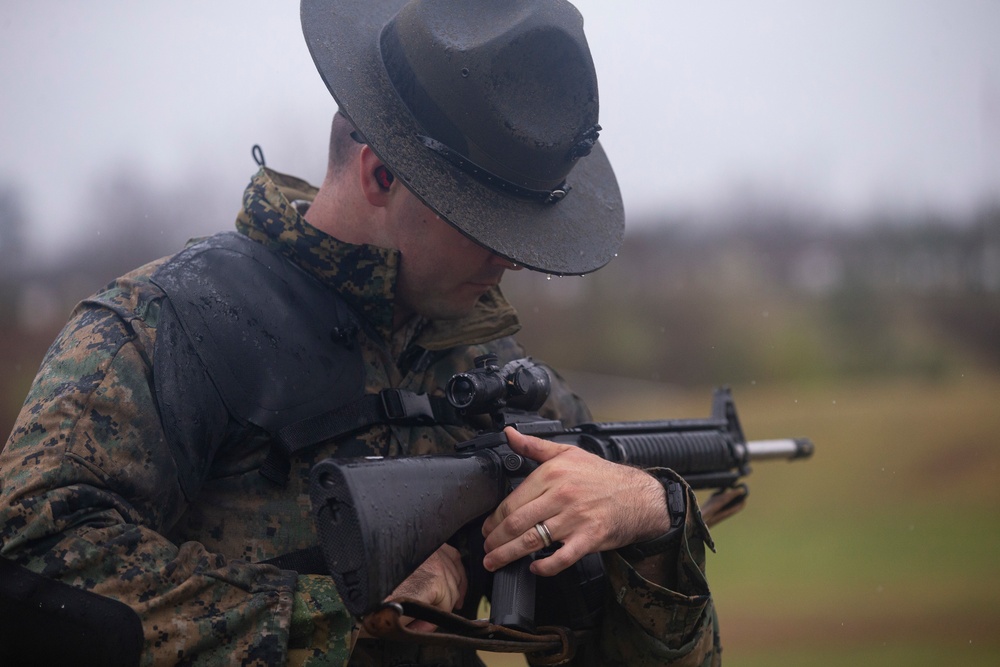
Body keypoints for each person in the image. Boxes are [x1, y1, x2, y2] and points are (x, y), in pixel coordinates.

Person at [0, 0, 720, 665]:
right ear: (381, 177)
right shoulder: (166, 326)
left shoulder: (501, 374)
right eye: (487, 222)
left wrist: (651, 524)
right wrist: (343, 616)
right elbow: (32, 561)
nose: (513, 256)